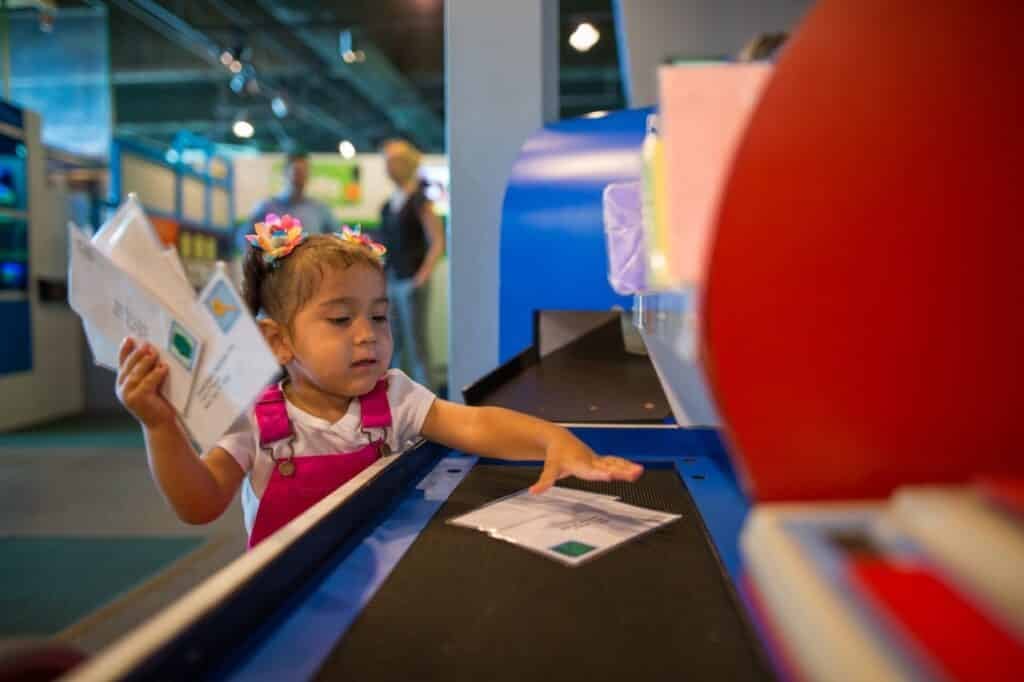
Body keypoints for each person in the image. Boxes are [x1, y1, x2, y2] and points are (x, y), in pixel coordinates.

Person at [115, 216, 642, 548]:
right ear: (278, 341)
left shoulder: (393, 395)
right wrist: (161, 427)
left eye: (380, 316)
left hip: (385, 569)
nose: (367, 336)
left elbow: (476, 424)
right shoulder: (254, 418)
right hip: (286, 596)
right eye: (341, 320)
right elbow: (199, 503)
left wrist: (552, 438)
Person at [378, 139, 445, 387]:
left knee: (417, 344)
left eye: (391, 161)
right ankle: (394, 401)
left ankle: (428, 407)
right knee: (392, 343)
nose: (387, 167)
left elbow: (438, 240)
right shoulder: (388, 205)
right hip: (391, 281)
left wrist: (422, 276)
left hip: (411, 282)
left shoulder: (419, 200)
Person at [248, 151, 336, 237]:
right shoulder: (265, 207)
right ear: (285, 173)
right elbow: (246, 239)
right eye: (297, 172)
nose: (301, 177)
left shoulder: (320, 209)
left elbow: (338, 239)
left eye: (305, 171)